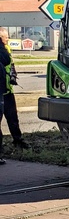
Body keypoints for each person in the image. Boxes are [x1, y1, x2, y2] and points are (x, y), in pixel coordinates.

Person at [0, 27, 28, 164]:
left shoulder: (7, 49)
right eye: (6, 37)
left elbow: (11, 65)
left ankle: (17, 140)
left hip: (7, 90)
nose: (8, 39)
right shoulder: (2, 50)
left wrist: (13, 76)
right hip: (1, 90)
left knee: (13, 118)